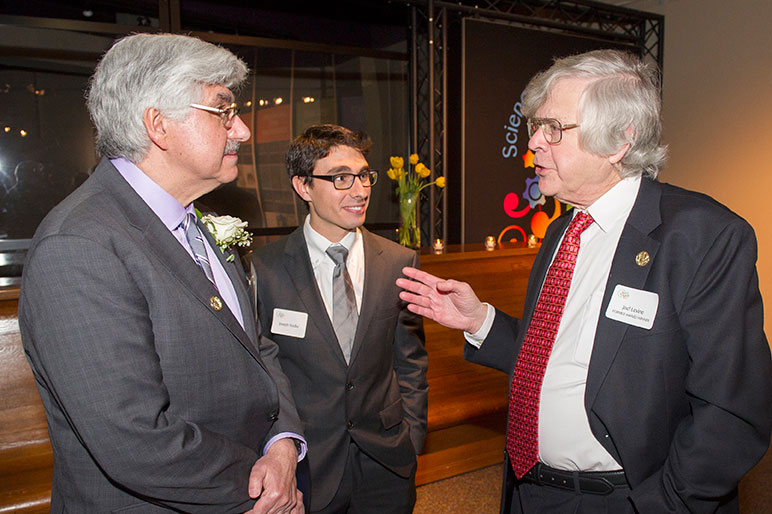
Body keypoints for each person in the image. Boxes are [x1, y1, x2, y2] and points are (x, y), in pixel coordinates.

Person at [397, 49, 772, 513]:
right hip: (527, 489)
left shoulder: (701, 236)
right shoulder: (564, 229)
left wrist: (657, 506)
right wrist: (482, 321)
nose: (532, 142)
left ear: (618, 141)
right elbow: (557, 358)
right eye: (535, 126)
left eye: (553, 128)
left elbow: (733, 411)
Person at [18, 33, 306, 513]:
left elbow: (256, 348)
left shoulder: (194, 219)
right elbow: (134, 440)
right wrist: (265, 490)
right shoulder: (80, 244)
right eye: (223, 110)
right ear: (158, 125)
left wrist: (283, 444)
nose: (242, 132)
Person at [250, 124, 428, 514]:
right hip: (309, 464)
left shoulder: (399, 262)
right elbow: (264, 371)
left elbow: (410, 361)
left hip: (388, 461)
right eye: (341, 178)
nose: (360, 190)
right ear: (303, 187)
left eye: (364, 175)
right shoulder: (265, 270)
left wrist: (412, 437)